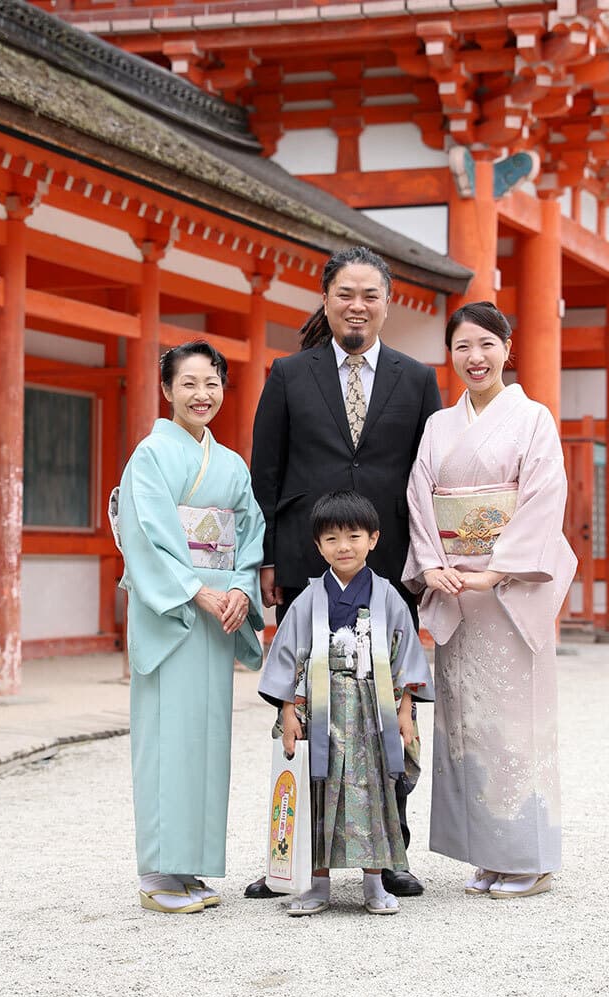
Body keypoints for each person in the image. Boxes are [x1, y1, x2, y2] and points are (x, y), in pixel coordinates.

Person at [247, 245, 442, 899]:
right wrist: (270, 559)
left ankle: (392, 855)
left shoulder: (416, 381)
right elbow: (266, 473)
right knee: (307, 711)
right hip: (308, 566)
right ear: (325, 299)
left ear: (388, 303)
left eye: (370, 295)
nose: (357, 306)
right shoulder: (288, 374)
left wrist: (426, 560)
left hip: (387, 568)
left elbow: (427, 479)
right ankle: (296, 857)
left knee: (389, 709)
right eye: (345, 294)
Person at [403, 301, 577, 900]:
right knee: (466, 723)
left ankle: (527, 855)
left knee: (515, 723)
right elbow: (419, 496)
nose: (474, 358)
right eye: (461, 347)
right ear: (450, 355)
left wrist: (497, 571)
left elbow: (543, 498)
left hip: (508, 596)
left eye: (485, 345)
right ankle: (485, 852)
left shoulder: (533, 420)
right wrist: (431, 563)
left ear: (507, 346)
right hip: (456, 590)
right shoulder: (438, 426)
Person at [117, 340, 265, 913]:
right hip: (174, 612)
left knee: (206, 740)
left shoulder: (231, 464)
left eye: (212, 383)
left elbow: (248, 536)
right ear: (167, 390)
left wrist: (237, 589)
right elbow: (145, 536)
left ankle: (190, 868)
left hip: (214, 615)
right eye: (189, 384)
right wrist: (197, 590)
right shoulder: (150, 457)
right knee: (166, 738)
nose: (202, 395)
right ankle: (158, 872)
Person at [259, 491, 434, 916]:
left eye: (354, 536)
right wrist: (287, 710)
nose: (344, 547)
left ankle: (375, 883)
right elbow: (288, 655)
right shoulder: (310, 598)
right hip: (321, 707)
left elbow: (405, 652)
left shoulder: (388, 595)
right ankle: (317, 885)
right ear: (318, 546)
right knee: (318, 790)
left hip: (373, 709)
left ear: (373, 539)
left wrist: (406, 710)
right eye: (332, 538)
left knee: (373, 790)